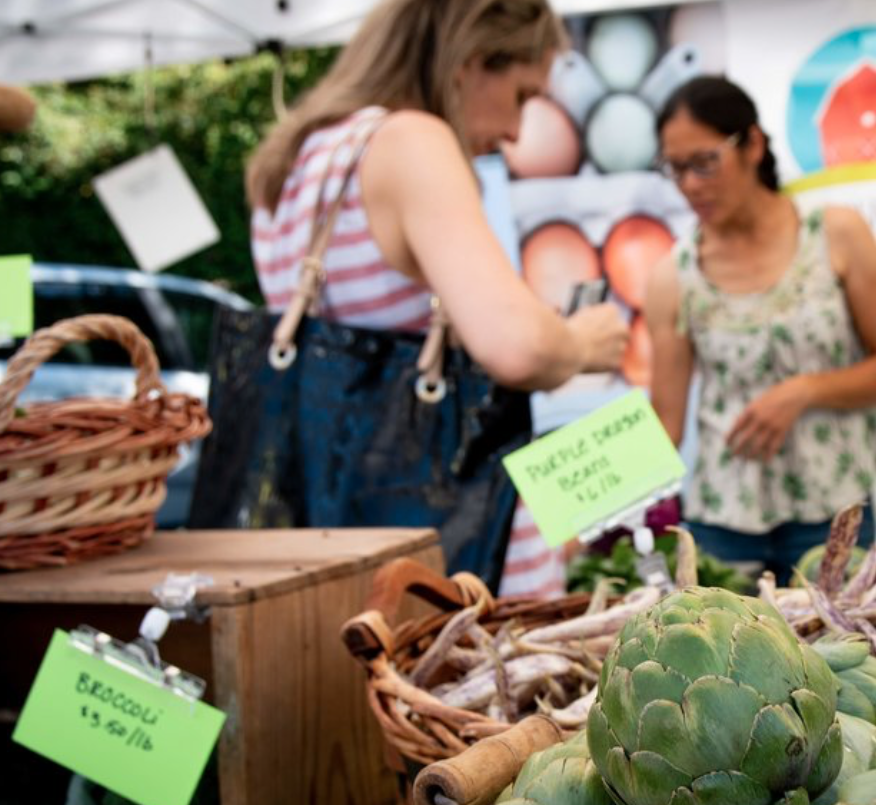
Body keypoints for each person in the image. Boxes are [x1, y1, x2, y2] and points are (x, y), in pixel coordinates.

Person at [245, 0, 627, 589]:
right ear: (469, 62)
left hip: (351, 560)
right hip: (460, 575)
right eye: (523, 94)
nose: (516, 131)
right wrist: (578, 343)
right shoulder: (408, 140)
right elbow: (518, 347)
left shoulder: (296, 163)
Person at [645, 76, 876, 579]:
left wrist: (804, 391)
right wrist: (576, 508)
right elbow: (665, 423)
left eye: (704, 162)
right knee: (731, 656)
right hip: (726, 518)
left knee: (845, 651)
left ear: (752, 145)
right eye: (675, 169)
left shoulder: (836, 234)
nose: (690, 184)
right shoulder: (672, 276)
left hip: (838, 508)